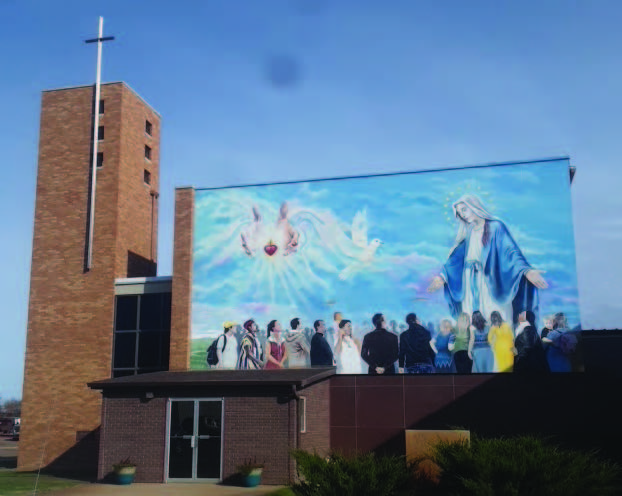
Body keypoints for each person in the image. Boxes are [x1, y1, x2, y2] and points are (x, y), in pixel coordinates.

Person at [426, 195, 547, 325]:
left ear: (474, 206)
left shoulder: (495, 227)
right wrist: (442, 277)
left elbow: (510, 251)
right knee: (471, 315)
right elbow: (455, 260)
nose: (463, 215)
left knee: (495, 314)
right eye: (460, 213)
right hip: (470, 281)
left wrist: (526, 271)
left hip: (490, 280)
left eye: (464, 209)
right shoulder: (469, 233)